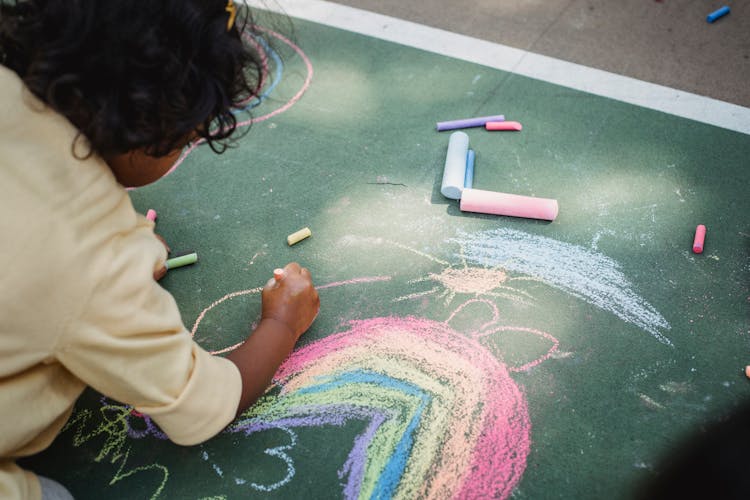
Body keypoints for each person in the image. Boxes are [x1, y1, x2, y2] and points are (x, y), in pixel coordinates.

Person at [0, 1, 320, 498]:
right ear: (154, 127)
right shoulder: (97, 253)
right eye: (188, 138)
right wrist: (281, 324)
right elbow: (201, 408)